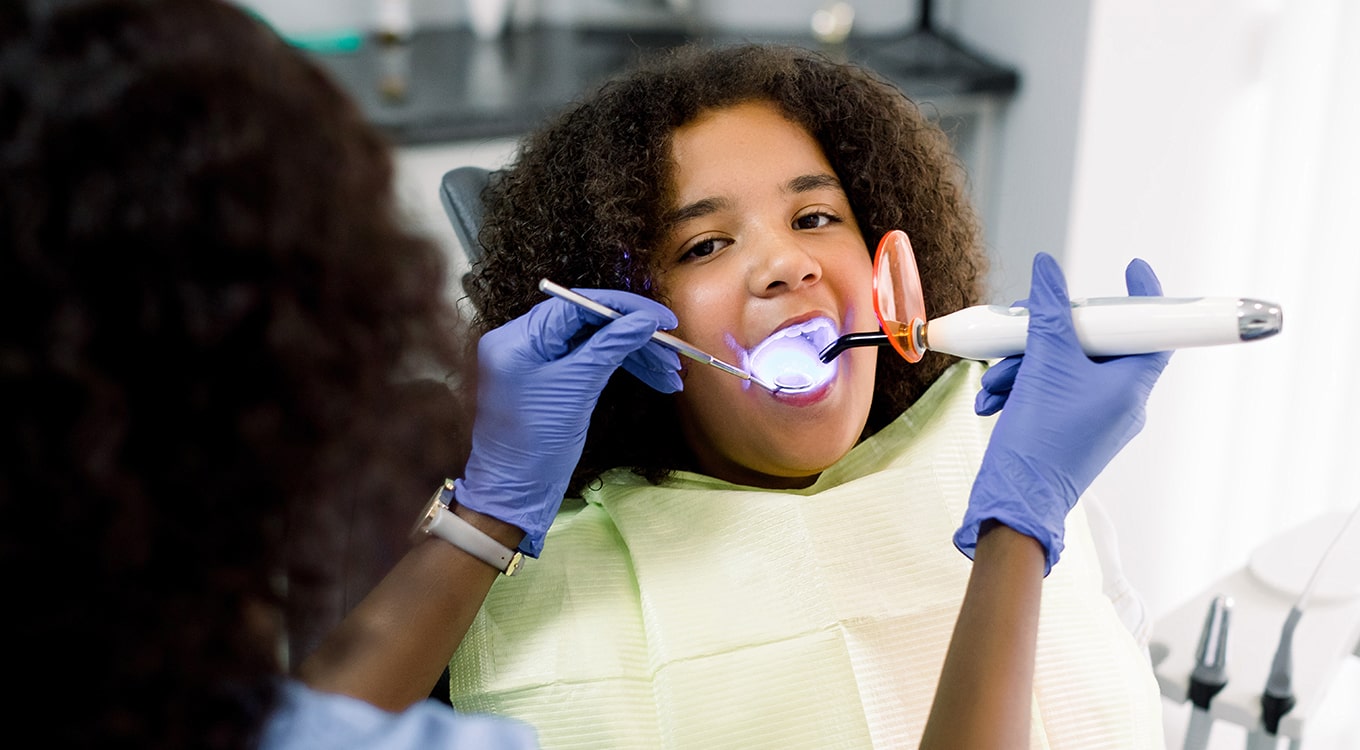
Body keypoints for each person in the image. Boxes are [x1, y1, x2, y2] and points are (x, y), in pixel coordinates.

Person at [445, 44, 1172, 748]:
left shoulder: (1011, 442)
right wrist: (1019, 523)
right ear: (624, 319)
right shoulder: (538, 570)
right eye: (703, 245)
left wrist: (1034, 501)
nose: (787, 264)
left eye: (815, 218)